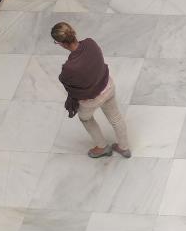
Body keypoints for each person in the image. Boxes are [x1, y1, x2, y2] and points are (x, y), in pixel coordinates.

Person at [52, 22, 131, 158]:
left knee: (86, 119)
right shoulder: (90, 43)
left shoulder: (69, 68)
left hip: (91, 100)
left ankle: (102, 147)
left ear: (62, 44)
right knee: (116, 117)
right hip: (108, 87)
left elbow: (68, 84)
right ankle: (124, 147)